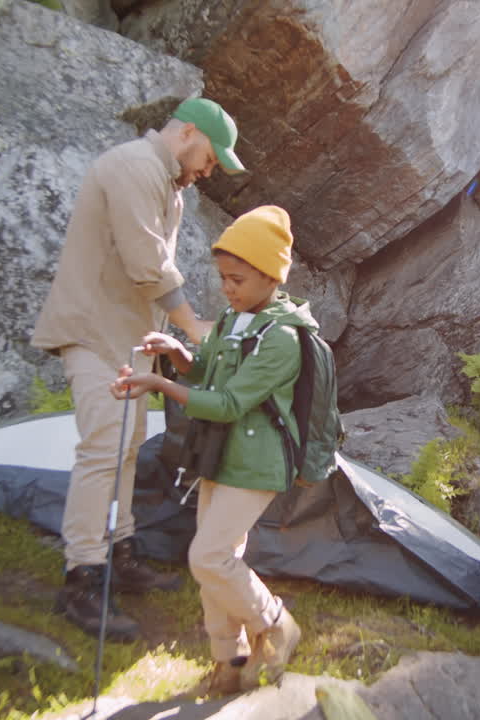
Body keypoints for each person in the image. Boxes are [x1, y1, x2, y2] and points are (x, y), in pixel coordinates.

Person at [31, 97, 246, 640]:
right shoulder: (133, 167)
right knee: (103, 449)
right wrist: (192, 327)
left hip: (128, 340)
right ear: (187, 133)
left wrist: (161, 341)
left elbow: (149, 271)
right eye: (210, 157)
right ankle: (81, 579)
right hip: (93, 331)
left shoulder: (164, 182)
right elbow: (147, 261)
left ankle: (121, 554)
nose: (209, 169)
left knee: (125, 447)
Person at [110, 205, 307, 695]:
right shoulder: (232, 319)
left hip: (257, 466)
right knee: (218, 561)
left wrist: (158, 382)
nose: (227, 288)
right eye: (223, 278)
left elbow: (229, 403)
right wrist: (178, 358)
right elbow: (209, 374)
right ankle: (230, 660)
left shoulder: (283, 338)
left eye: (238, 279)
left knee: (209, 557)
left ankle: (276, 622)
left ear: (270, 276)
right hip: (218, 457)